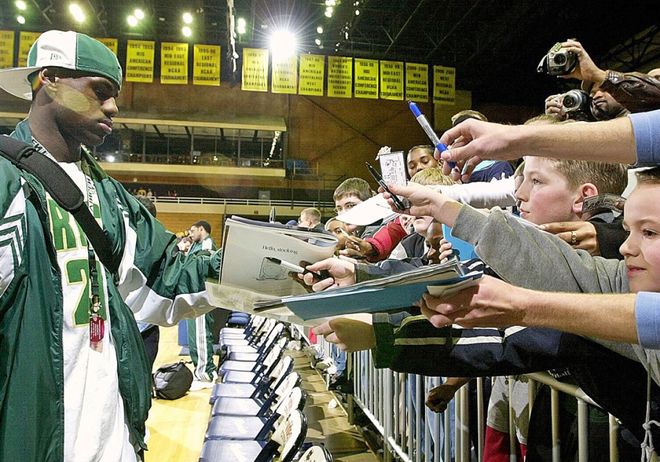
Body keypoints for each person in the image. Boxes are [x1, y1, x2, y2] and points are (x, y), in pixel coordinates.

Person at [0, 30, 220, 461]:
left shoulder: (109, 195)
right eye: (99, 91)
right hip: (35, 441)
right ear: (49, 79)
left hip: (114, 438)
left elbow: (167, 275)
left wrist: (269, 264)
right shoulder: (7, 185)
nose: (113, 107)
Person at [186, 220, 219, 388]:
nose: (190, 234)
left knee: (200, 335)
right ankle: (202, 371)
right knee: (196, 336)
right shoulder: (197, 245)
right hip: (193, 296)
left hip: (200, 297)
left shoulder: (207, 244)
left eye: (193, 231)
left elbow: (200, 268)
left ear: (202, 229)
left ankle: (206, 374)